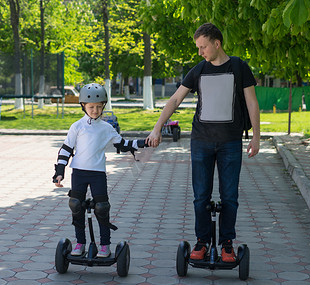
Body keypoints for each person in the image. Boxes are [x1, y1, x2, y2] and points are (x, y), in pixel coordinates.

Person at [147, 23, 260, 263]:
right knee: (201, 196)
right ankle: (202, 241)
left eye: (203, 47)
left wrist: (257, 137)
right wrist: (157, 127)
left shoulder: (239, 67)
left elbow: (252, 103)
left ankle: (227, 243)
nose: (200, 52)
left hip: (230, 142)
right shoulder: (198, 70)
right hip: (201, 142)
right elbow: (175, 99)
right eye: (198, 47)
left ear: (217, 44)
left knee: (230, 196)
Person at [53, 83, 147, 258]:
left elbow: (123, 144)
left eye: (98, 107)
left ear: (103, 105)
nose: (95, 110)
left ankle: (105, 245)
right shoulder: (77, 126)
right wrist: (59, 172)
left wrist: (144, 142)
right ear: (83, 106)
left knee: (102, 208)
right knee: (76, 206)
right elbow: (66, 149)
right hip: (79, 173)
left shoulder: (106, 128)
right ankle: (80, 242)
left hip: (98, 174)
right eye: (91, 107)